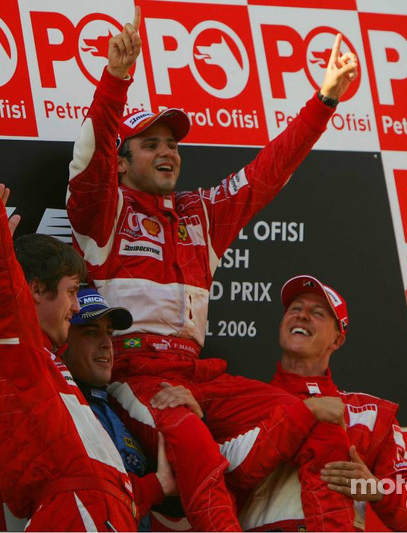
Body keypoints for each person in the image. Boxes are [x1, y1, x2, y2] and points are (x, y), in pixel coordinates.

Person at [67, 7, 360, 531]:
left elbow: (268, 172)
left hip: (201, 376)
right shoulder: (102, 211)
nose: (167, 153)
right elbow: (89, 160)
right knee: (189, 435)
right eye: (150, 144)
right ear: (123, 161)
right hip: (137, 376)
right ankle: (213, 491)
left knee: (315, 420)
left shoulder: (201, 213)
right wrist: (115, 79)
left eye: (173, 145)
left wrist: (325, 101)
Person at [0, 86, 138, 532]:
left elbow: (102, 475)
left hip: (99, 512)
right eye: (71, 293)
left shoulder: (45, 359)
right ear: (32, 290)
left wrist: (149, 488)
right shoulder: (11, 340)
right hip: (76, 514)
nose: (76, 307)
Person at [238, 275, 407, 531]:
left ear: (337, 340)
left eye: (317, 313)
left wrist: (375, 488)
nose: (302, 316)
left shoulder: (371, 415)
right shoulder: (242, 401)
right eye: (295, 308)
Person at [61, 286, 203, 530]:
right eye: (92, 332)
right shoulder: (60, 406)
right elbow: (88, 496)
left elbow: (176, 503)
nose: (107, 343)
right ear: (63, 341)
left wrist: (195, 425)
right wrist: (156, 487)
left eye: (109, 333)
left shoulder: (123, 411)